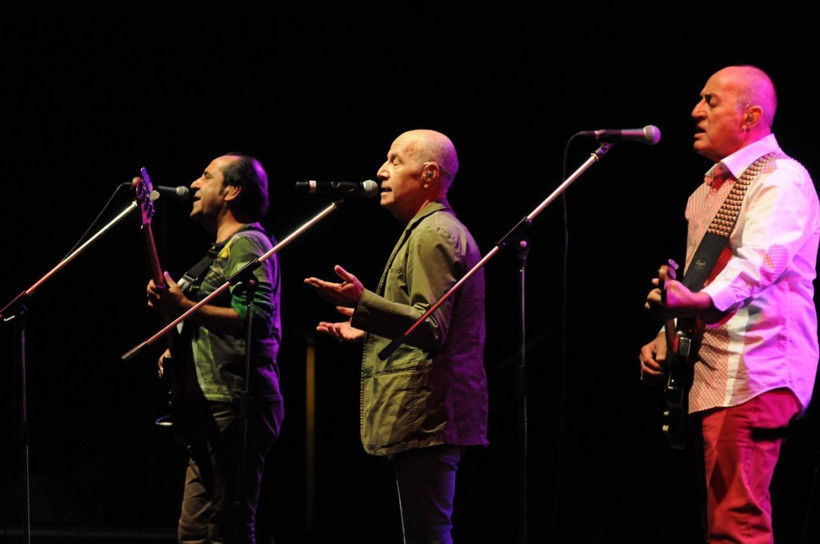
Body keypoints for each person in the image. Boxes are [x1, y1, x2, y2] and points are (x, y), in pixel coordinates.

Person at [639, 65, 820, 543]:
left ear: (750, 116)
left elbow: (764, 260)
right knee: (720, 524)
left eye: (710, 101)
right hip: (716, 375)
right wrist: (668, 332)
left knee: (737, 524)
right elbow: (708, 281)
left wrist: (697, 299)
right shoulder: (705, 192)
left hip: (757, 371)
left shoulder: (780, 178)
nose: (696, 111)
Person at [304, 129, 489, 543]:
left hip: (431, 412)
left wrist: (365, 303)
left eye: (394, 160)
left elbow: (432, 327)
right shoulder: (429, 229)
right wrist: (367, 323)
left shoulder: (433, 234)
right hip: (429, 413)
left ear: (427, 174)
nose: (381, 170)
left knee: (428, 534)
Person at [146, 153, 284, 544]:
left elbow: (256, 319)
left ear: (232, 190)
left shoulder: (248, 243)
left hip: (236, 402)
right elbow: (204, 321)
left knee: (225, 529)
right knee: (195, 530)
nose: (193, 184)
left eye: (206, 176)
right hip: (210, 403)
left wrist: (183, 307)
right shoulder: (220, 252)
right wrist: (177, 342)